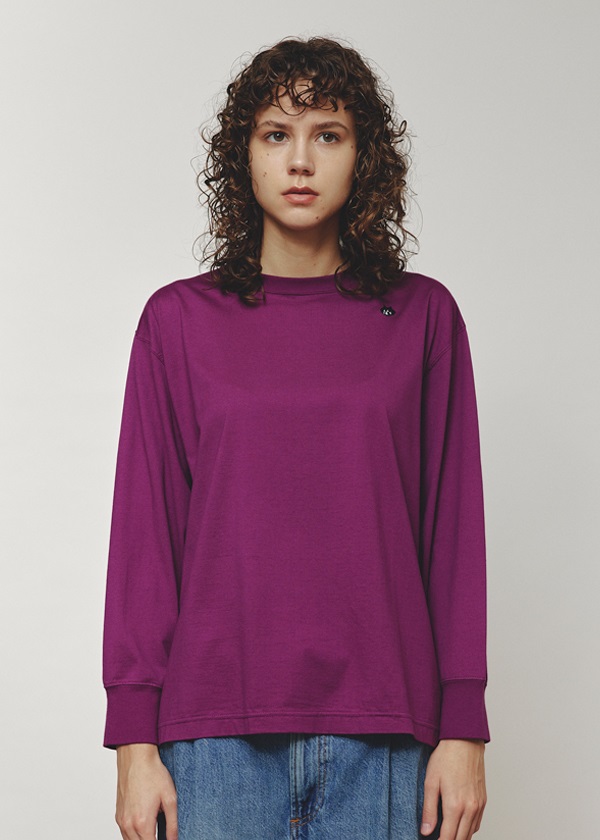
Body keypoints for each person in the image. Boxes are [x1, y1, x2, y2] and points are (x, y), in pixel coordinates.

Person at [101, 35, 490, 840]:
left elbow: (453, 533)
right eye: (276, 134)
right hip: (213, 738)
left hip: (385, 736)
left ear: (363, 156)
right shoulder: (177, 323)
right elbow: (146, 536)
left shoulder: (422, 318)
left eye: (328, 134)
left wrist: (465, 728)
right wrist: (134, 742)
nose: (301, 160)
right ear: (243, 156)